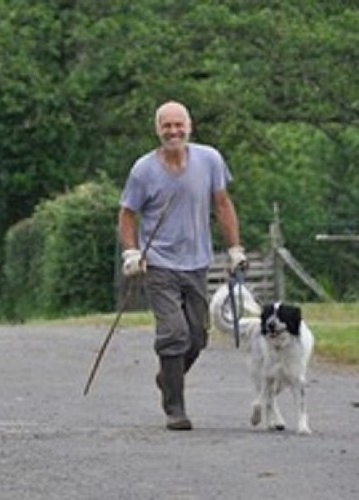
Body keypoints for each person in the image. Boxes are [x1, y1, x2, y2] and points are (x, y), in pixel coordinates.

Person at [118, 101, 246, 431]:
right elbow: (127, 215)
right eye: (166, 126)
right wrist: (132, 253)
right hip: (158, 262)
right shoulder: (143, 170)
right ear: (157, 129)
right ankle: (176, 408)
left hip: (197, 261)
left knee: (197, 337)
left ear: (189, 126)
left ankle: (168, 378)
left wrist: (234, 248)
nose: (173, 131)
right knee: (173, 333)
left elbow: (222, 203)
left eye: (178, 125)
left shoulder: (210, 159)